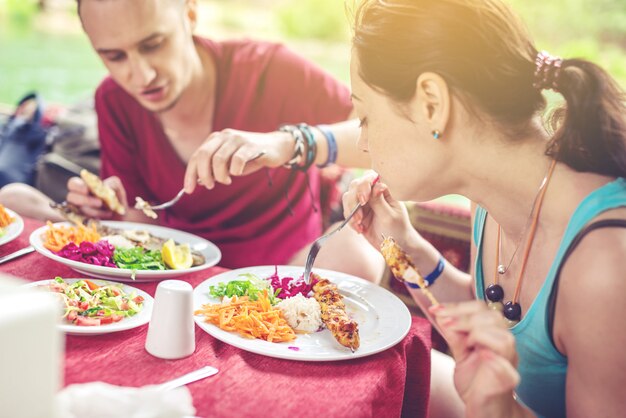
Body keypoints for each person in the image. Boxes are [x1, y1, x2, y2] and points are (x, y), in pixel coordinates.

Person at [342, 0, 626, 417]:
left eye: (365, 116)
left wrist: (502, 411)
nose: (363, 142)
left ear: (432, 102)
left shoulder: (603, 267)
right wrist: (400, 248)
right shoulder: (493, 195)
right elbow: (481, 327)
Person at [51, 0, 384, 280]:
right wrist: (113, 208)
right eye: (114, 57)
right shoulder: (113, 100)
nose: (142, 76)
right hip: (179, 274)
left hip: (287, 274)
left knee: (358, 256)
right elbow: (143, 225)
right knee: (15, 197)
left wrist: (288, 143)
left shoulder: (269, 70)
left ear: (190, 14)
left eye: (153, 45)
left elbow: (386, 138)